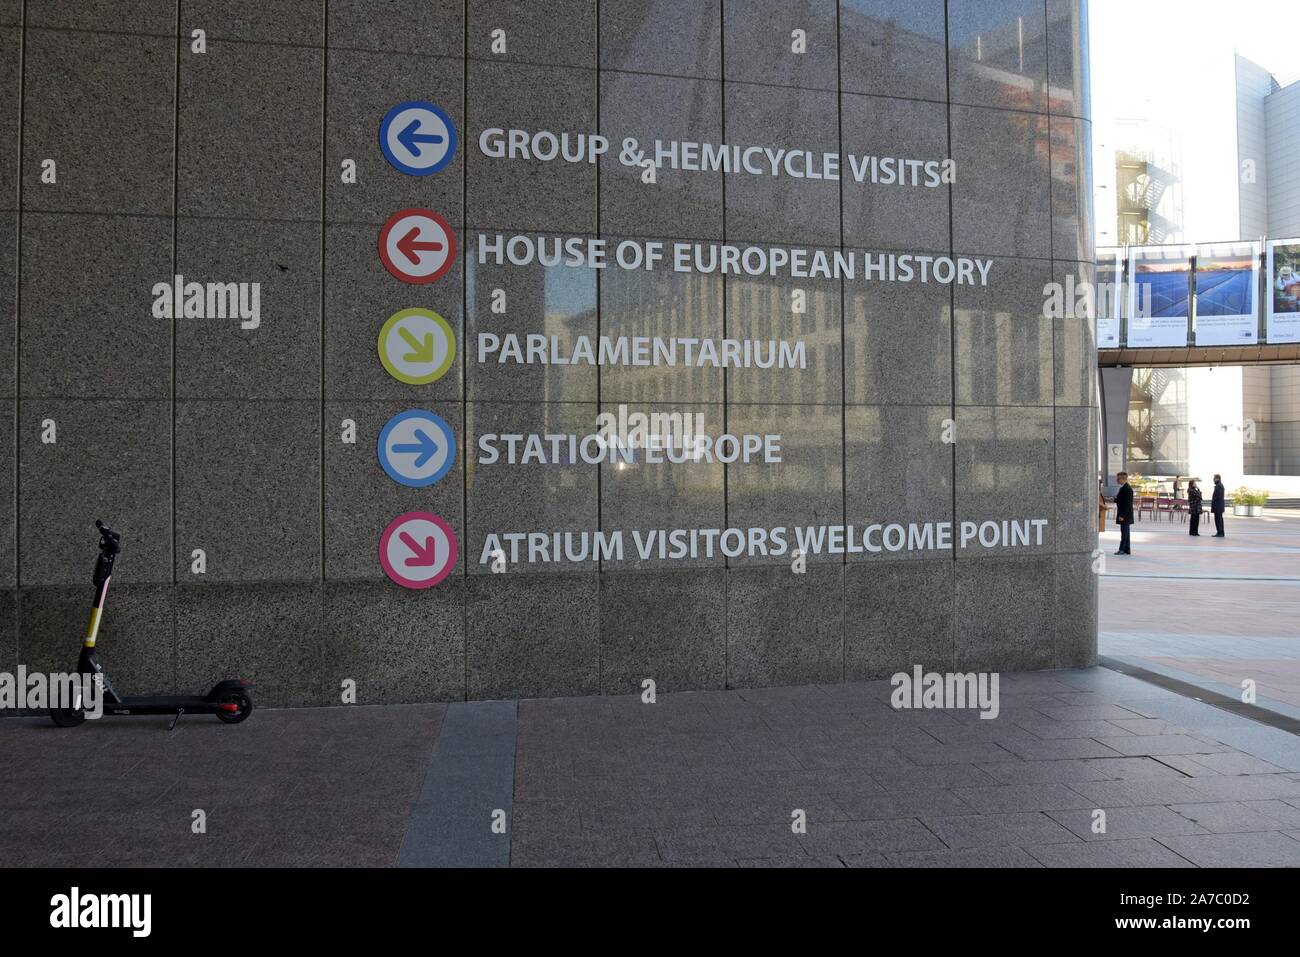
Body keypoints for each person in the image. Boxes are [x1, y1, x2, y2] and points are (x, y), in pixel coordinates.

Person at [1115, 471, 1134, 555]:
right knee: (1126, 533)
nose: (1117, 480)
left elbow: (1127, 504)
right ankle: (1127, 549)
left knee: (1124, 533)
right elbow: (1121, 499)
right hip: (1124, 514)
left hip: (1125, 515)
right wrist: (1114, 500)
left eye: (1118, 478)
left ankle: (1122, 549)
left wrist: (1122, 515)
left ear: (1123, 479)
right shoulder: (1123, 487)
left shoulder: (1127, 489)